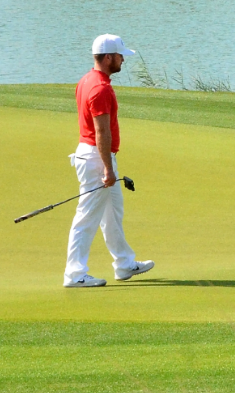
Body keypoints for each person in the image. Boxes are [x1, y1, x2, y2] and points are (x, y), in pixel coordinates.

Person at [64, 34, 154, 288]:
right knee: (87, 218)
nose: (123, 59)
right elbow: (101, 132)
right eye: (119, 55)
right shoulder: (100, 88)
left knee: (112, 213)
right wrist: (107, 168)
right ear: (107, 58)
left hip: (94, 155)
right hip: (96, 158)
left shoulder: (88, 80)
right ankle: (74, 274)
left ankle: (124, 263)